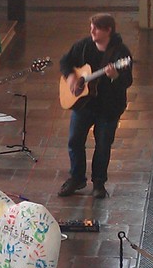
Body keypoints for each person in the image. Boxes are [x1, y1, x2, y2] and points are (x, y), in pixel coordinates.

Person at [57, 13, 133, 199]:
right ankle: (76, 178)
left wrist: (115, 76)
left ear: (108, 30)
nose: (91, 31)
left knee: (103, 145)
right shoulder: (84, 45)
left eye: (96, 28)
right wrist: (72, 77)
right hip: (84, 105)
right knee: (75, 141)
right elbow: (65, 62)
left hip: (108, 107)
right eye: (91, 27)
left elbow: (127, 81)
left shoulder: (121, 53)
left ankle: (99, 183)